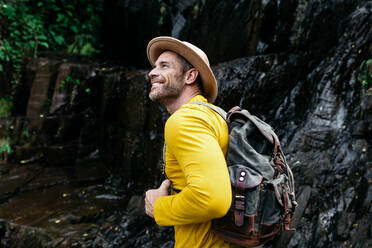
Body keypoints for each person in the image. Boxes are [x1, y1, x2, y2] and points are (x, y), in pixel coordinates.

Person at [145, 36, 233, 248]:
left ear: (190, 76)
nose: (152, 72)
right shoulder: (215, 116)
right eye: (154, 67)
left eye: (164, 66)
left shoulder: (185, 121)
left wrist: (158, 206)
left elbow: (213, 200)